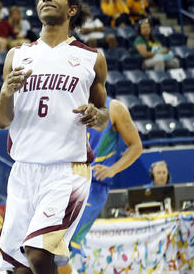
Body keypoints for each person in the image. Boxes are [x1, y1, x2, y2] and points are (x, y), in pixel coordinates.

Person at [0, 0, 109, 274]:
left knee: (39, 253)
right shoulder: (17, 55)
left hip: (66, 170)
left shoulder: (91, 58)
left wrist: (96, 114)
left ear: (71, 10)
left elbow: (105, 115)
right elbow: (1, 121)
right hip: (24, 170)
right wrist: (5, 94)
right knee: (19, 268)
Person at [58, 98, 142, 273]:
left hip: (93, 186)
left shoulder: (115, 108)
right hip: (65, 181)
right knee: (49, 246)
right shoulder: (68, 100)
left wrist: (113, 169)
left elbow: (136, 146)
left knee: (59, 246)